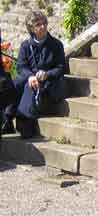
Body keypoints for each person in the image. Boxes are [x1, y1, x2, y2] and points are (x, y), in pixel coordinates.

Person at [2, 11, 67, 139]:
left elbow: (61, 68)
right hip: (32, 78)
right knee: (15, 83)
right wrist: (30, 76)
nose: (43, 27)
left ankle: (24, 123)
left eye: (44, 23)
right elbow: (21, 66)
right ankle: (7, 119)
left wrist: (47, 74)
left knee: (29, 85)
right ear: (31, 28)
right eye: (38, 24)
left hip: (50, 83)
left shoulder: (56, 45)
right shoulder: (26, 45)